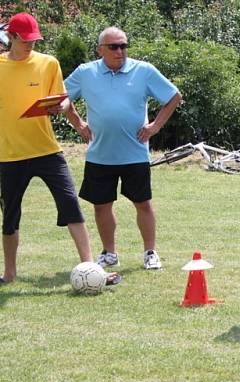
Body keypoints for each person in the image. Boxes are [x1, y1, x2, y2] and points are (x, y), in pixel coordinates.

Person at [0, 13, 116, 285]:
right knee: (10, 215)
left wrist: (60, 107)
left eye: (35, 39)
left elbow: (64, 100)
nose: (31, 44)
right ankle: (9, 274)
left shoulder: (48, 63)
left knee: (70, 205)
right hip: (9, 154)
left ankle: (90, 268)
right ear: (12, 37)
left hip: (47, 151)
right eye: (25, 40)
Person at [65, 27, 182, 270]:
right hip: (100, 154)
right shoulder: (86, 72)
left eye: (124, 46)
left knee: (143, 203)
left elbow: (173, 96)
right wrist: (78, 124)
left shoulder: (144, 71)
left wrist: (155, 127)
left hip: (135, 153)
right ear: (100, 50)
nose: (121, 51)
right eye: (114, 47)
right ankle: (109, 254)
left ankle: (150, 252)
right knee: (101, 205)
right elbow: (62, 98)